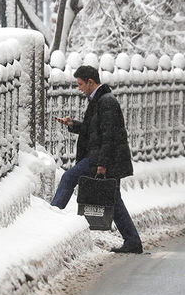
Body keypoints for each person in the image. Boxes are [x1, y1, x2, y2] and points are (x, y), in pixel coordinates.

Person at [52, 65, 143, 254]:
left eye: (80, 84)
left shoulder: (106, 102)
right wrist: (73, 124)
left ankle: (50, 220)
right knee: (114, 200)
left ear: (90, 82)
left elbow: (108, 135)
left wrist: (102, 165)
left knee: (69, 178)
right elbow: (93, 129)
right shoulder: (100, 100)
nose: (79, 88)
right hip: (106, 158)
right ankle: (133, 240)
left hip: (104, 159)